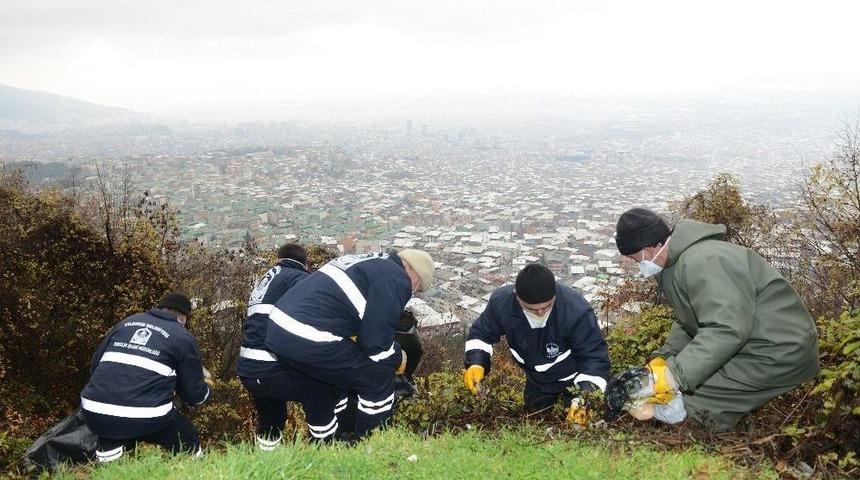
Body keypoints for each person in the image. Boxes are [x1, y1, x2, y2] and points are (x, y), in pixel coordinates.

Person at [613, 208, 820, 431]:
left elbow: (726, 329)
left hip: (777, 351)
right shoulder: (674, 266)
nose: (640, 265)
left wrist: (674, 375)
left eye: (636, 260)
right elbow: (687, 321)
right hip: (751, 345)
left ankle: (707, 453)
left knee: (691, 405)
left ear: (648, 248)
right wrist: (663, 359)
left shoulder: (704, 261)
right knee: (682, 391)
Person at [265, 249, 435, 439]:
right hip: (307, 334)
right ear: (415, 275)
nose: (411, 292)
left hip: (278, 331)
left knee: (321, 392)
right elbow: (375, 344)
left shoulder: (366, 260)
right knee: (377, 377)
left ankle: (326, 450)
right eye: (416, 288)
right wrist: (397, 356)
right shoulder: (398, 277)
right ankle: (373, 448)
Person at [463, 264, 610, 424]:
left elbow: (595, 357)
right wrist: (476, 363)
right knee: (534, 422)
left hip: (575, 376)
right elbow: (481, 333)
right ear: (516, 297)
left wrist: (585, 398)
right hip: (537, 380)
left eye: (547, 307)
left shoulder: (576, 310)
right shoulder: (502, 303)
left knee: (578, 423)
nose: (540, 312)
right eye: (531, 309)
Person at [80, 293, 209, 462]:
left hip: (93, 409)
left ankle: (108, 463)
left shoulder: (126, 322)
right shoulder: (182, 336)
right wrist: (206, 389)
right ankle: (198, 469)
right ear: (184, 317)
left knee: (111, 432)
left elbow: (95, 365)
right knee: (186, 436)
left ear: (160, 308)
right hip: (146, 414)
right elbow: (193, 395)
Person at [237, 243, 339, 449]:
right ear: (304, 263)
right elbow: (322, 311)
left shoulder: (264, 281)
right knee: (323, 392)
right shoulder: (297, 278)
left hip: (249, 368)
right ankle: (325, 451)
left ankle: (266, 462)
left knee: (272, 419)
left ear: (278, 259)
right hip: (271, 367)